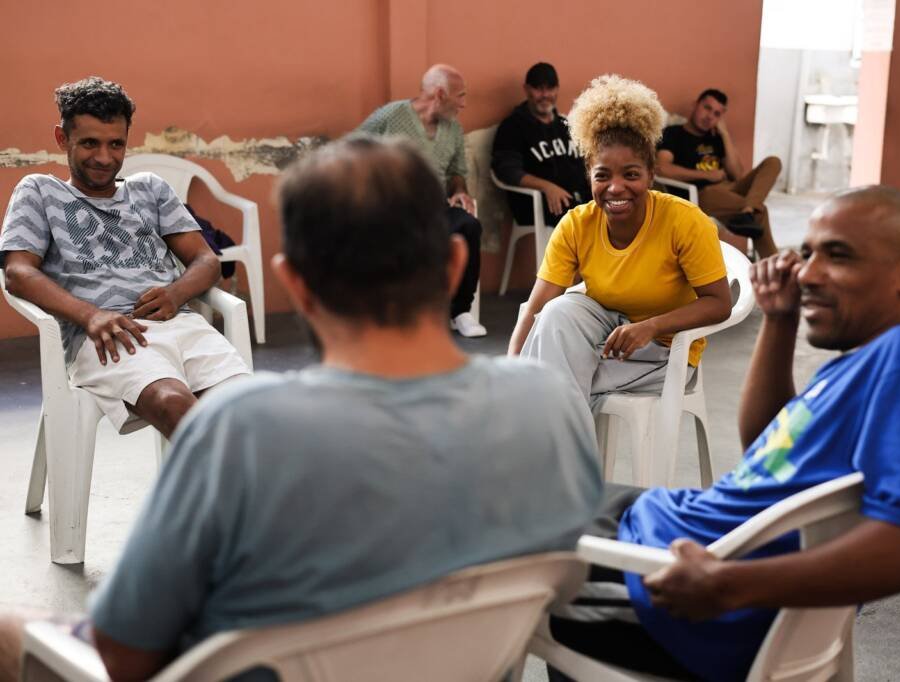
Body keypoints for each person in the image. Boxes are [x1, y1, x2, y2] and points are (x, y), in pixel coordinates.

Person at [0, 136, 604, 682]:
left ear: (298, 284)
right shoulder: (546, 402)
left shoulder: (237, 431)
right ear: (453, 266)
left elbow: (121, 654)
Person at [546, 186, 900, 682]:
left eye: (838, 256)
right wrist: (779, 319)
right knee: (542, 502)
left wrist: (730, 585)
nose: (808, 274)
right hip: (667, 529)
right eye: (808, 252)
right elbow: (767, 446)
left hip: (672, 585)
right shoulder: (865, 361)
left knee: (491, 567)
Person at [0, 77, 250, 439]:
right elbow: (18, 273)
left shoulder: (150, 189)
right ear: (61, 138)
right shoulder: (39, 191)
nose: (104, 158)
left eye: (116, 144)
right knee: (172, 402)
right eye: (89, 143)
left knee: (243, 408)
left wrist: (176, 294)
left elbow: (207, 260)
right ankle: (239, 494)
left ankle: (232, 493)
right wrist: (91, 315)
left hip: (181, 323)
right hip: (104, 336)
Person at [507, 74, 732, 413]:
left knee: (555, 384)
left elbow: (719, 303)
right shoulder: (577, 224)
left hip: (665, 353)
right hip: (603, 342)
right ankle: (563, 457)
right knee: (557, 312)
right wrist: (508, 373)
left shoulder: (684, 221)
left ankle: (559, 461)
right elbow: (535, 307)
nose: (615, 188)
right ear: (589, 174)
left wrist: (651, 326)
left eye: (630, 175)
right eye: (602, 175)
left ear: (651, 174)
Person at [358, 63, 487, 337]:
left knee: (468, 226)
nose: (464, 104)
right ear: (440, 94)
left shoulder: (452, 129)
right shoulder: (391, 116)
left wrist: (459, 191)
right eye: (460, 95)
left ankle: (459, 311)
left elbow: (456, 172)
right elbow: (351, 151)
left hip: (435, 208)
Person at [656, 88, 781, 258]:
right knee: (761, 212)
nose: (710, 117)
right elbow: (662, 169)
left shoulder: (715, 137)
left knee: (773, 162)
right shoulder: (674, 134)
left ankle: (749, 210)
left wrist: (724, 134)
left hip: (729, 188)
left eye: (716, 114)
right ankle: (776, 266)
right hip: (702, 193)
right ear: (695, 105)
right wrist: (706, 175)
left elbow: (737, 175)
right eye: (707, 108)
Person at [491, 62, 591, 229]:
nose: (545, 95)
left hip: (578, 199)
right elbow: (507, 171)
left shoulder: (565, 125)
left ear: (557, 89)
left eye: (550, 88)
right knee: (582, 219)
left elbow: (585, 163)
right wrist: (546, 187)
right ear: (527, 89)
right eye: (538, 88)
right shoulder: (513, 126)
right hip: (537, 203)